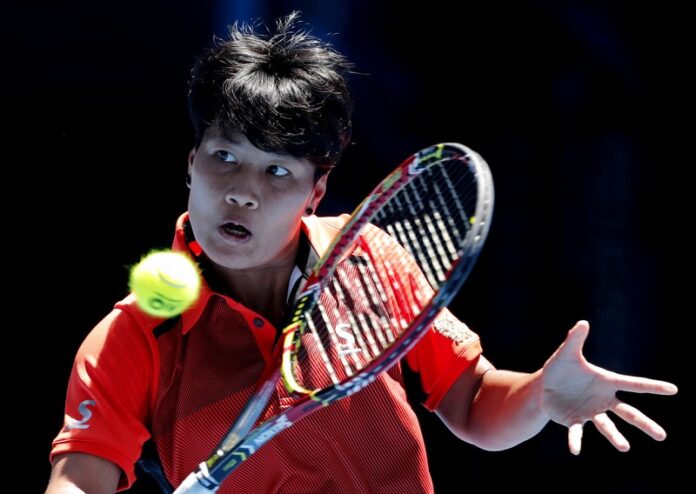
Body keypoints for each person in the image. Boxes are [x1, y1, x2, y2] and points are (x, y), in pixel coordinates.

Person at [46, 12, 678, 494]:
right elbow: (80, 476)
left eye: (277, 173)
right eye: (225, 158)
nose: (241, 192)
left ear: (316, 191)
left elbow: (474, 404)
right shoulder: (134, 336)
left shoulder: (368, 261)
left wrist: (540, 395)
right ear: (191, 164)